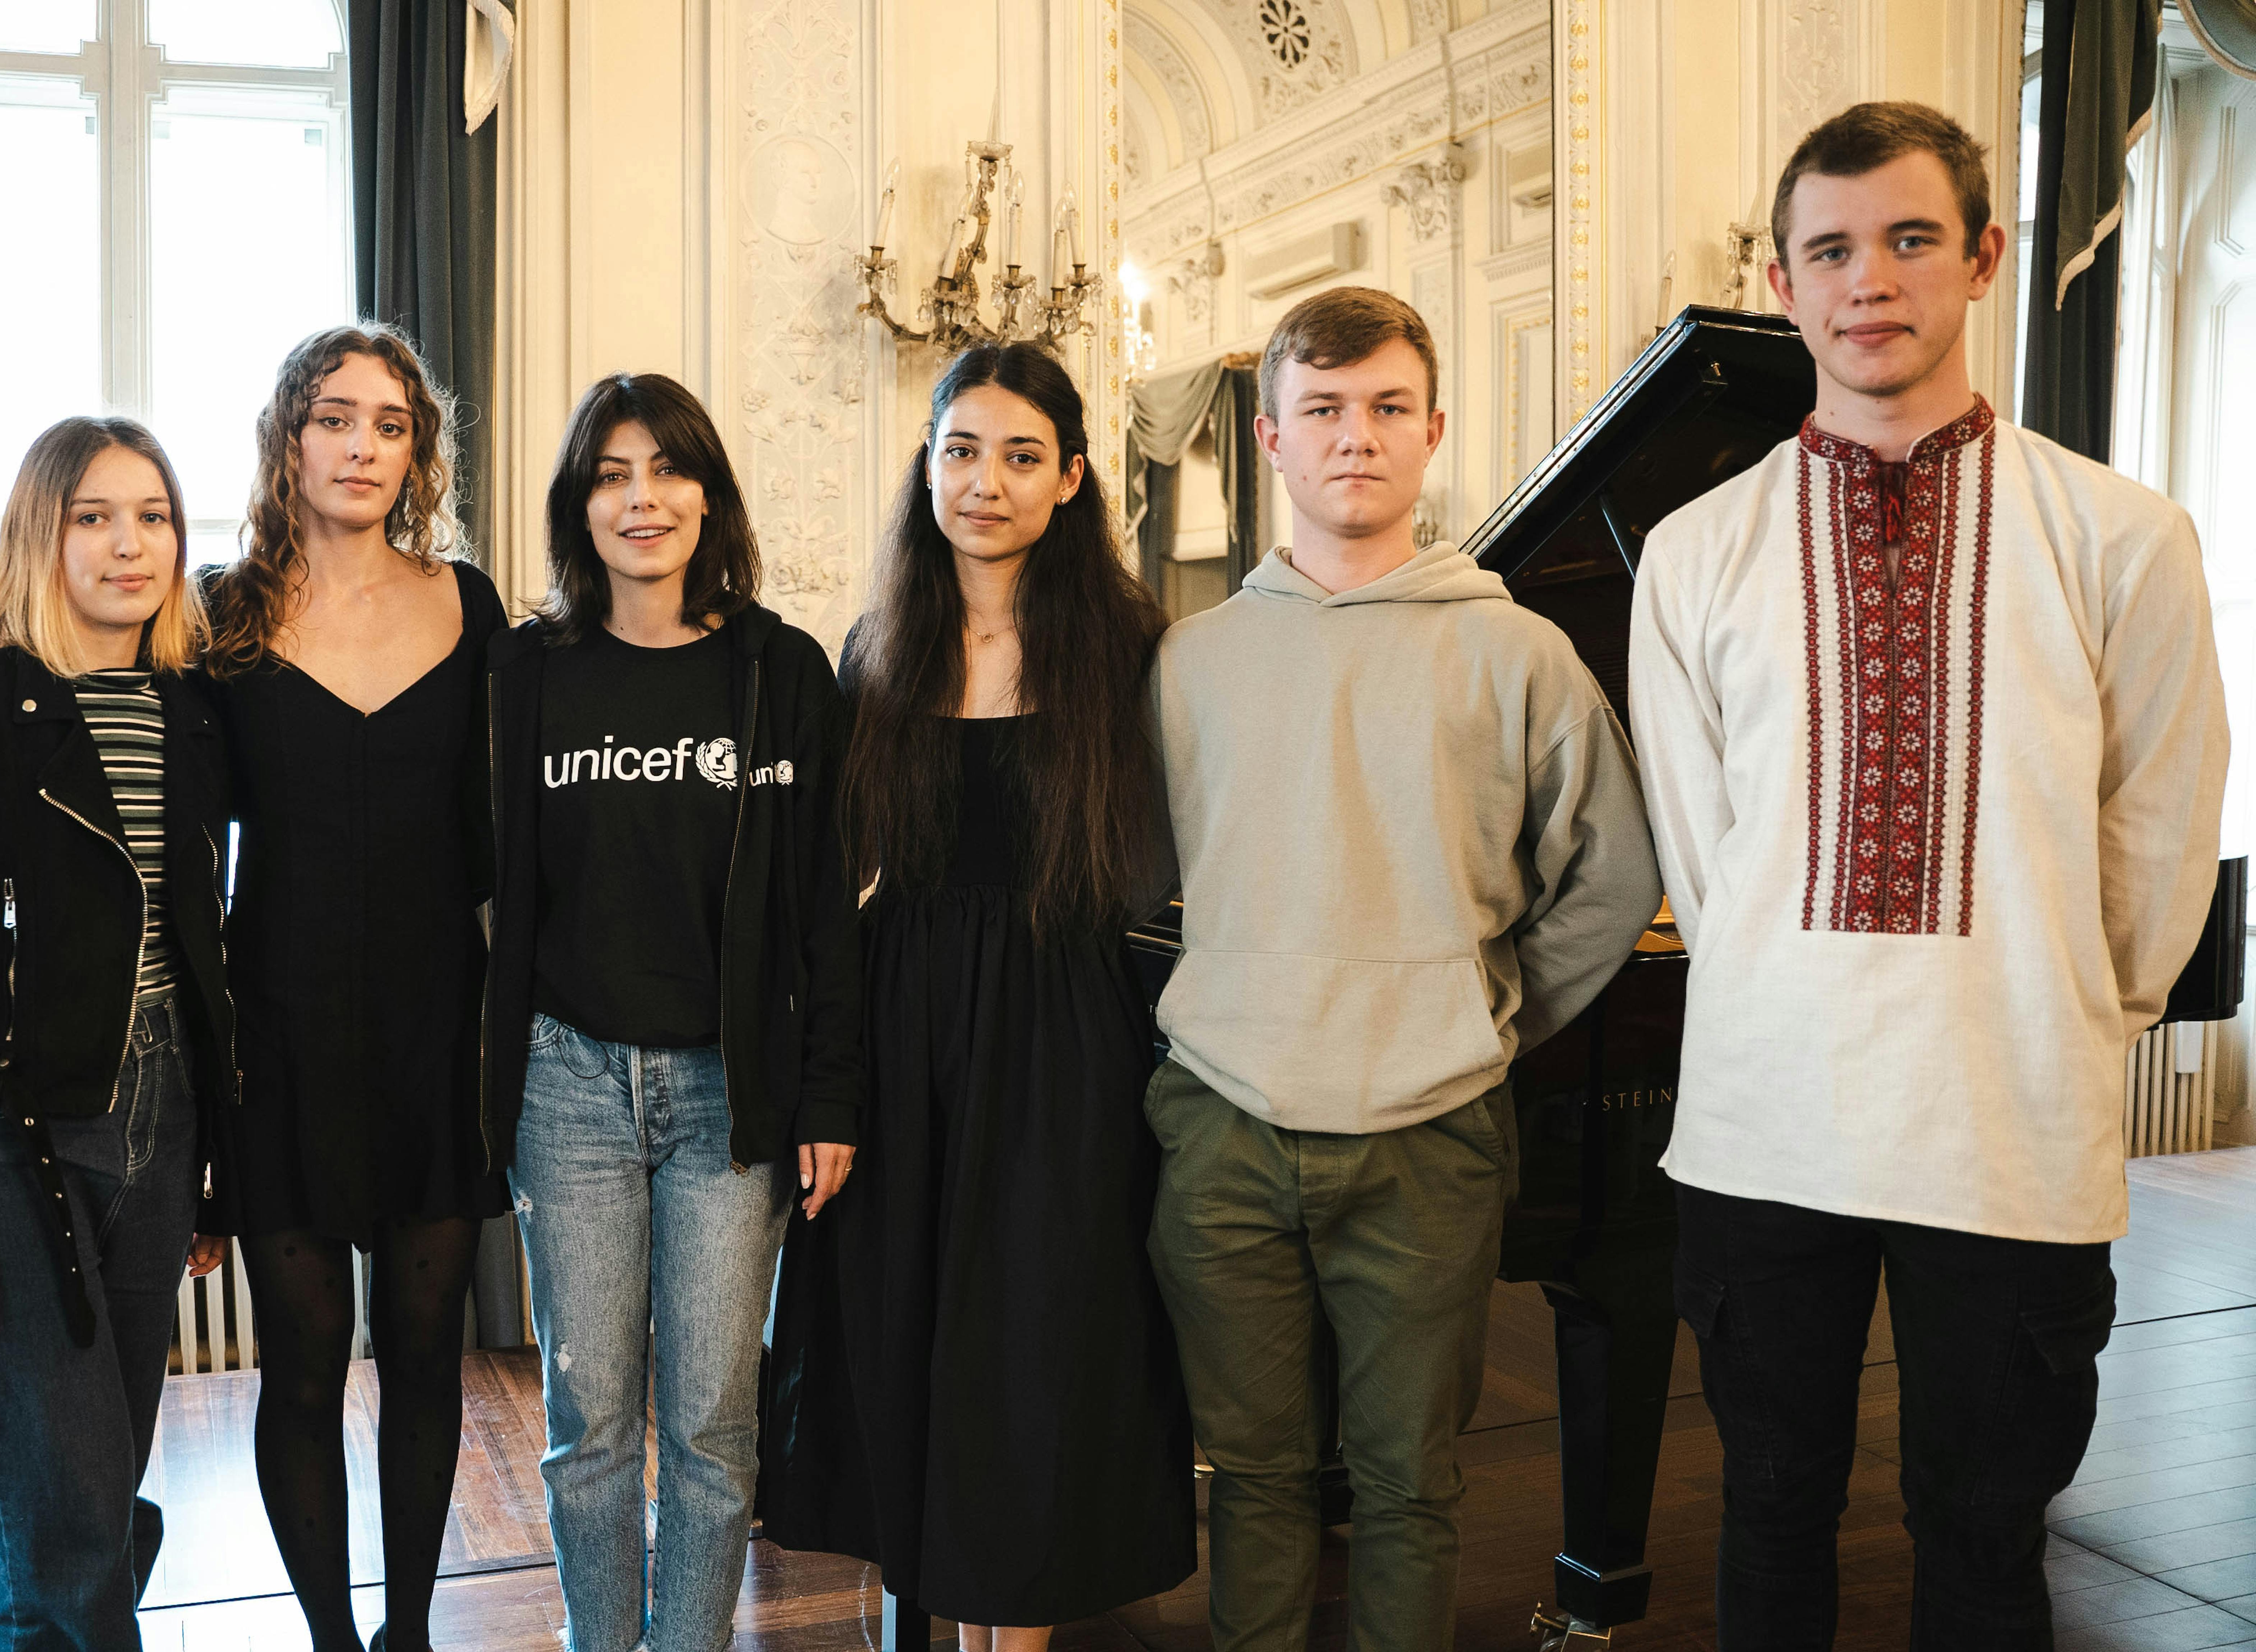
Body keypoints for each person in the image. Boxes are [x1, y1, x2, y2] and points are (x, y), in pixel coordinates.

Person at [1628, 102, 2228, 1651]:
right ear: (1779, 281)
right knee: (1765, 1508)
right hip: (1766, 1123)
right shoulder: (1694, 554)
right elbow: (1705, 858)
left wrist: (2056, 1015)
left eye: (1905, 240)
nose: (1866, 282)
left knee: (1980, 1539)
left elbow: (2156, 831)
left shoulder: (2120, 536)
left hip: (2009, 1123)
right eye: (1828, 249)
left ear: (1980, 257)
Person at [1146, 287, 1663, 1652]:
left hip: (1431, 1128)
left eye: (1386, 410)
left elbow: (1612, 876)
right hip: (1224, 1125)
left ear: (1433, 433)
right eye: (1322, 411)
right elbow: (1135, 882)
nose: (1355, 439)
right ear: (1270, 437)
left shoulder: (1518, 651)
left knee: (1410, 1487)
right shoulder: (1188, 662)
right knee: (1251, 1482)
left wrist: (1486, 1013)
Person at [761, 343, 1194, 1646]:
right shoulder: (879, 640)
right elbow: (836, 877)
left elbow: (1182, 854)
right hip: (904, 1027)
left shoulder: (1132, 645)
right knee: (902, 1337)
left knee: (1034, 1343)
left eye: (1019, 457)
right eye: (961, 451)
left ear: (1070, 478)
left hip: (1066, 1031)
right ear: (928, 465)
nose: (984, 482)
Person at [481, 370, 863, 1652]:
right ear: (579, 505)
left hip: (728, 1091)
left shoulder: (783, 673)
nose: (642, 500)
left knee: (711, 1421)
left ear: (710, 493)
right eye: (611, 474)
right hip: (566, 1079)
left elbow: (826, 914)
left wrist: (829, 1096)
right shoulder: (527, 673)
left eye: (667, 470)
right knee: (591, 1424)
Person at [0, 416, 236, 1652]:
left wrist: (215, 1172)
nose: (132, 546)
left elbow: (203, 945)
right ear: (43, 531)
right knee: (68, 1505)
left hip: (163, 1114)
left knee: (88, 1480)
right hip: (11, 1131)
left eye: (155, 517)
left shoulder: (190, 712)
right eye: (95, 517)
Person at [198, 325, 509, 1652]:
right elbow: (182, 847)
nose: (364, 446)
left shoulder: (474, 606)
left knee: (429, 1351)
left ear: (417, 452)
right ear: (290, 437)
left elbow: (512, 841)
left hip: (440, 1033)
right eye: (337, 419)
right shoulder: (219, 610)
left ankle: (410, 1637)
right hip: (281, 1039)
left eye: (391, 425)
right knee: (307, 1361)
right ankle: (332, 1639)